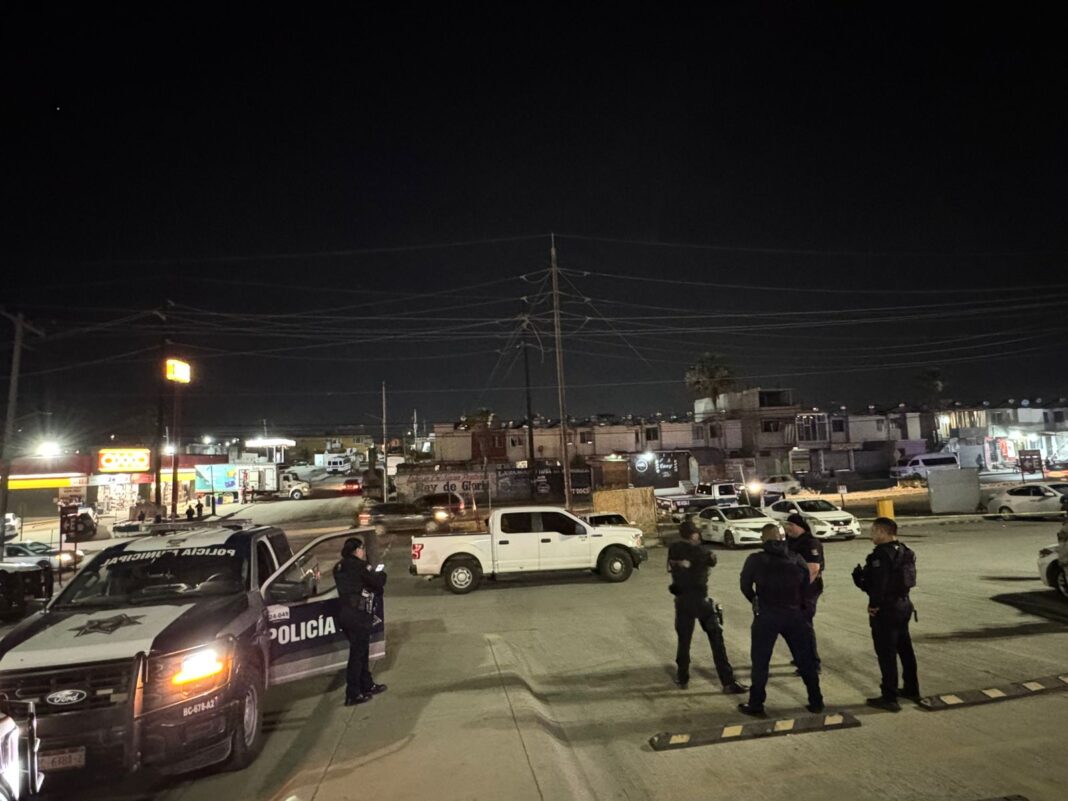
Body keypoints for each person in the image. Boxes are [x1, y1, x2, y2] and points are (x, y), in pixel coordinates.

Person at [738, 523, 824, 716]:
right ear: (784, 539)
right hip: (794, 614)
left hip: (767, 614)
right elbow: (806, 583)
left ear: (763, 539)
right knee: (805, 660)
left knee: (761, 661)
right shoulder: (796, 558)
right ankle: (816, 701)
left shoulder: (755, 560)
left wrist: (755, 600)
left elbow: (745, 585)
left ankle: (756, 704)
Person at [667, 518, 747, 694]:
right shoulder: (700, 552)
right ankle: (727, 681)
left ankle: (682, 677)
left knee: (684, 641)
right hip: (700, 601)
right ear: (693, 535)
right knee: (716, 639)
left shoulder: (674, 549)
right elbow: (712, 561)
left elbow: (673, 566)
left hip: (682, 601)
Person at [852, 517, 919, 712]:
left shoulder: (880, 555)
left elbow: (879, 585)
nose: (871, 535)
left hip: (887, 609)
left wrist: (872, 602)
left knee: (886, 653)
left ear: (882, 532)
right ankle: (911, 689)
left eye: (873, 531)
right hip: (904, 605)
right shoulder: (905, 551)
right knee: (905, 649)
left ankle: (889, 697)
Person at [334, 537, 388, 705]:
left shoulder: (338, 567)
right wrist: (381, 574)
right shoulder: (360, 566)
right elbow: (377, 583)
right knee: (357, 656)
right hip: (358, 614)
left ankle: (367, 685)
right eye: (362, 549)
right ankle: (353, 693)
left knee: (361, 651)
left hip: (344, 613)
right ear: (357, 550)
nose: (363, 552)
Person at [784, 513, 825, 673]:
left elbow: (813, 569)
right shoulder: (791, 541)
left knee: (804, 625)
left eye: (791, 525)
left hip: (807, 590)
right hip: (794, 589)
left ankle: (812, 664)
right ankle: (801, 657)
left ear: (801, 526)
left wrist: (800, 591)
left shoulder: (810, 543)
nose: (788, 528)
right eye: (787, 525)